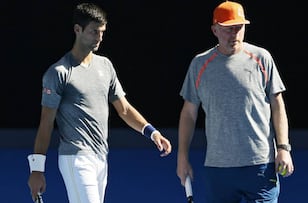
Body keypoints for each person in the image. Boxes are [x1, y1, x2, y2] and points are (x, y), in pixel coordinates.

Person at [27, 3, 172, 203]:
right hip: (75, 158)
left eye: (102, 32)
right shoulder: (58, 73)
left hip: (101, 158)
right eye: (94, 31)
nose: (99, 37)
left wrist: (152, 132)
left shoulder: (105, 66)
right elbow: (46, 123)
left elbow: (125, 109)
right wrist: (36, 169)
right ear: (77, 30)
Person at [176, 1, 294, 202]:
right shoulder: (199, 64)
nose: (234, 34)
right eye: (227, 29)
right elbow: (188, 113)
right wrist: (182, 156)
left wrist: (283, 148)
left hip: (260, 165)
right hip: (218, 168)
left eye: (239, 28)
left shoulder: (262, 58)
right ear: (215, 30)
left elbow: (277, 105)